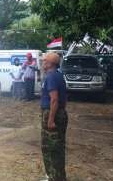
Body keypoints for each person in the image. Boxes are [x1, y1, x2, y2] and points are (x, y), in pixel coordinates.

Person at [40, 52, 68, 181]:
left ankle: (54, 177)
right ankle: (55, 176)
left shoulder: (51, 76)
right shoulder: (58, 75)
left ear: (50, 63)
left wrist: (51, 120)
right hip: (59, 112)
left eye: (44, 60)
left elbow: (54, 100)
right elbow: (63, 99)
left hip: (52, 114)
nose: (42, 63)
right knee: (56, 147)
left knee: (51, 148)